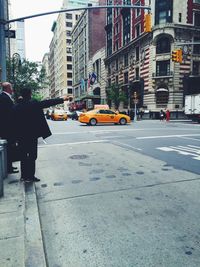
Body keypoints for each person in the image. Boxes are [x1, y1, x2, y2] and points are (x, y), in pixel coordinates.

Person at [13, 88, 68, 182]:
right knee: (32, 156)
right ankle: (30, 176)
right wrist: (63, 99)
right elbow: (48, 102)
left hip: (21, 136)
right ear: (30, 94)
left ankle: (23, 176)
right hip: (32, 136)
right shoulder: (34, 104)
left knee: (23, 156)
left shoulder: (16, 107)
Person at [0, 82, 19, 174]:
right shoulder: (4, 98)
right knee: (9, 149)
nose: (12, 89)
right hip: (7, 129)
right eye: (11, 87)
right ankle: (8, 168)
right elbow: (9, 114)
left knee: (9, 149)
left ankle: (9, 167)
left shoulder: (5, 97)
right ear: (7, 88)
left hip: (7, 129)